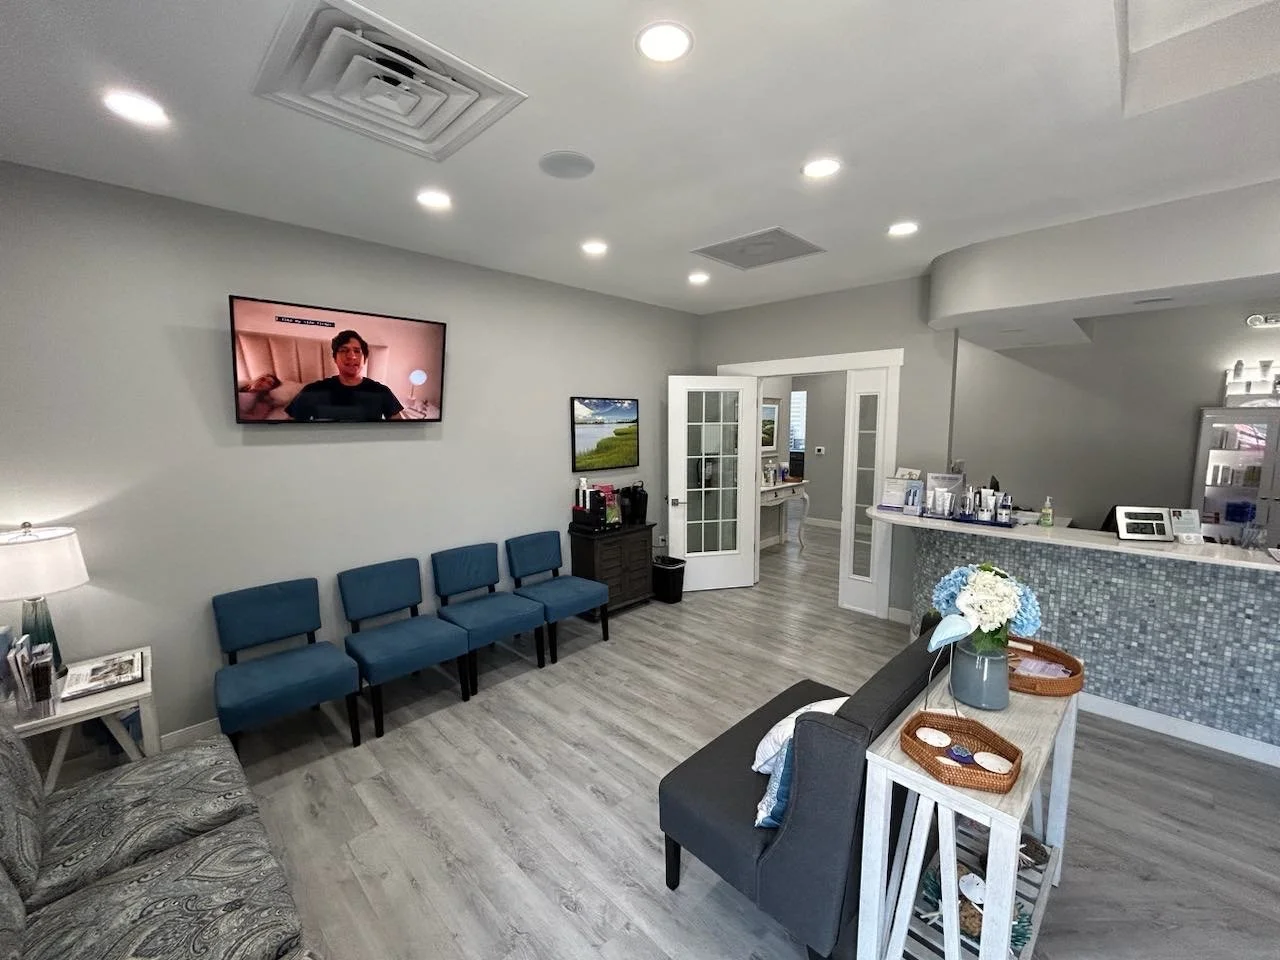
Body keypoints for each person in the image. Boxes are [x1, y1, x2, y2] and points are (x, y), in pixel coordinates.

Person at [285, 330, 405, 422]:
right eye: (344, 350)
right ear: (335, 359)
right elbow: (288, 430)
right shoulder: (312, 391)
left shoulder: (381, 392)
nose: (351, 356)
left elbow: (401, 431)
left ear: (365, 359)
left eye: (357, 351)